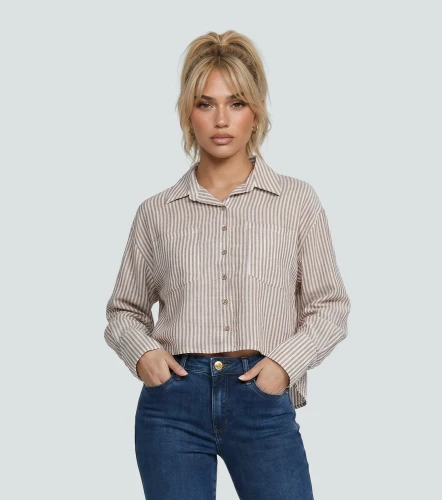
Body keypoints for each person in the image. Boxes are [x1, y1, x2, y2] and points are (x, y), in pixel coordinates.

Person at [104, 30, 351, 500]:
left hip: (262, 397)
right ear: (188, 113)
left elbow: (330, 306)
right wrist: (143, 354)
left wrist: (283, 366)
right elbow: (124, 310)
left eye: (236, 103)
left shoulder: (296, 201)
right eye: (206, 103)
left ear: (256, 111)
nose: (221, 119)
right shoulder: (157, 212)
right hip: (172, 405)